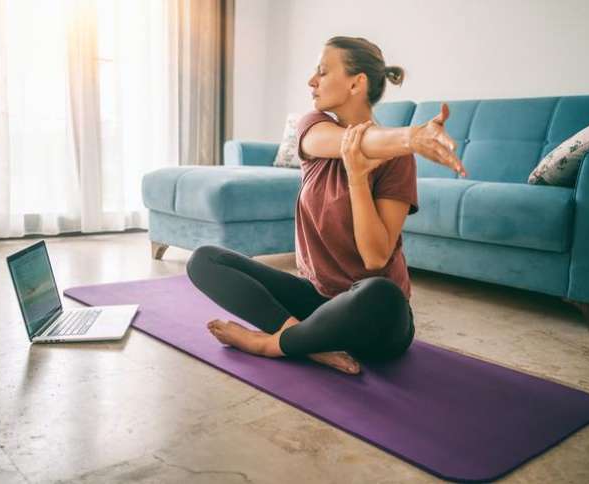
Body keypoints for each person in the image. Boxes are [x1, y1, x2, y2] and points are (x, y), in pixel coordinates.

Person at [186, 36, 466, 375]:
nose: (311, 81)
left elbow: (375, 257)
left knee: (381, 293)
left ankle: (271, 344)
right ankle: (303, 340)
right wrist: (410, 137)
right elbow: (354, 142)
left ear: (356, 83)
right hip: (315, 301)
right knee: (204, 260)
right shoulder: (313, 126)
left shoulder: (397, 162)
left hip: (371, 317)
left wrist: (359, 179)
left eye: (322, 71)